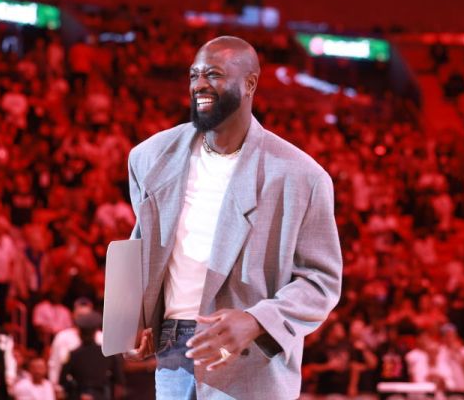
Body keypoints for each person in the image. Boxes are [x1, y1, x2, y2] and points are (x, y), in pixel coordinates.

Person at [124, 36, 342, 399]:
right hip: (171, 352)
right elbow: (143, 248)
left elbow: (321, 282)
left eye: (213, 74)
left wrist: (257, 320)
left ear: (250, 84)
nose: (199, 84)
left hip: (249, 360)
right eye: (194, 75)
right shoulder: (149, 157)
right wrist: (136, 317)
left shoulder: (301, 176)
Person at [60, 312, 125, 400]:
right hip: (102, 395)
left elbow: (62, 381)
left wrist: (77, 395)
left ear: (79, 332)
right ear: (95, 332)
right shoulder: (107, 353)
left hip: (80, 395)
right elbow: (119, 379)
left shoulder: (74, 355)